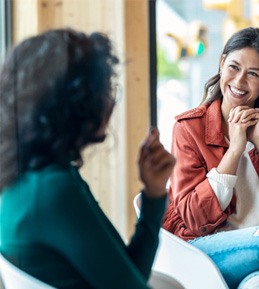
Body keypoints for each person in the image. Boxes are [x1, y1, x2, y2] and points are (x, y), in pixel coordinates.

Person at [0, 28, 177, 289]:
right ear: (78, 104)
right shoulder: (54, 191)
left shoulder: (31, 177)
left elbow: (130, 275)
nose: (111, 103)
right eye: (106, 91)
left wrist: (153, 194)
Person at [163, 27, 259, 289]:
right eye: (234, 67)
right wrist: (234, 151)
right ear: (222, 63)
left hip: (258, 256)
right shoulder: (189, 128)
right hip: (205, 250)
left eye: (253, 74)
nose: (239, 81)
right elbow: (193, 218)